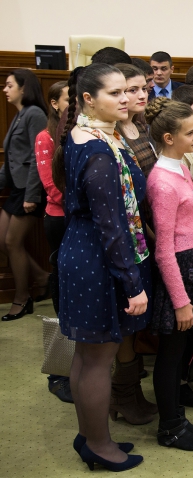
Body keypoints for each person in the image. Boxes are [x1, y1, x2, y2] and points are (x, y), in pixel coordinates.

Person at [52, 63, 149, 471]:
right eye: (114, 94)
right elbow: (111, 228)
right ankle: (98, 443)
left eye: (126, 91)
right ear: (88, 99)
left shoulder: (87, 134)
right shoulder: (98, 149)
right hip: (97, 257)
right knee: (96, 359)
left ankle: (90, 434)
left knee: (86, 356)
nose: (125, 99)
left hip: (82, 249)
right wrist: (132, 285)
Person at [145, 97, 193, 450]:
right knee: (170, 354)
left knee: (183, 347)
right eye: (190, 133)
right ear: (169, 138)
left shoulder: (181, 166)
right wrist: (181, 301)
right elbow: (163, 250)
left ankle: (179, 418)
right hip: (178, 271)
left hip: (192, 263)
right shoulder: (162, 182)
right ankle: (169, 427)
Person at [1, 69, 49, 321]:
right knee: (3, 241)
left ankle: (21, 298)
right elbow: (11, 158)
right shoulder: (20, 114)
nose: (5, 89)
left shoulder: (35, 114)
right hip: (16, 188)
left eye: (10, 85)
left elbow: (36, 157)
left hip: (28, 191)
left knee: (12, 242)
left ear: (23, 88)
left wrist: (32, 195)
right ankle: (41, 276)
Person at [35, 80, 71, 402]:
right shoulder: (46, 137)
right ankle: (60, 372)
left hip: (79, 219)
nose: (73, 104)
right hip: (60, 220)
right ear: (55, 104)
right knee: (61, 293)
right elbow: (51, 185)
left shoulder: (77, 135)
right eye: (67, 99)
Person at [114, 64, 156, 177]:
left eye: (144, 89)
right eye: (133, 90)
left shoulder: (140, 126)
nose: (142, 96)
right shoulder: (111, 132)